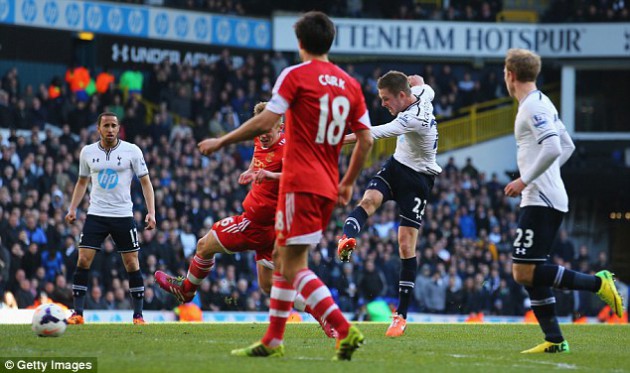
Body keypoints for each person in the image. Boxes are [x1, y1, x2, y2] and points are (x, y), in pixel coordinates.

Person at [197, 11, 373, 361]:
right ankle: (274, 339)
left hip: (300, 184)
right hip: (326, 185)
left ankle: (342, 327)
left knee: (293, 266)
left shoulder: (295, 75)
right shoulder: (350, 84)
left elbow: (266, 119)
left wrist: (223, 141)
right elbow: (366, 140)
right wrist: (349, 182)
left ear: (300, 44)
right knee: (281, 258)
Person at [154, 102, 336, 337]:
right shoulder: (260, 140)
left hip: (255, 224)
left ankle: (186, 290)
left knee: (203, 245)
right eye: (259, 130)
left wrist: (270, 175)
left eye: (268, 130)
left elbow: (302, 176)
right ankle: (322, 314)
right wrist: (251, 170)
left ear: (280, 127)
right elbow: (258, 158)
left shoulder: (288, 147)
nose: (263, 135)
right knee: (268, 286)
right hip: (273, 228)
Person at [503, 48, 623, 353]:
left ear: (510, 75)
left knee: (522, 270)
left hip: (540, 197)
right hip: (546, 194)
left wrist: (526, 179)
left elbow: (555, 147)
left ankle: (599, 283)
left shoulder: (532, 107)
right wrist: (545, 177)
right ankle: (555, 340)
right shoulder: (543, 102)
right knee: (531, 271)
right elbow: (566, 144)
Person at [338, 71, 441, 337]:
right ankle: (346, 239)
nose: (383, 104)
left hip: (419, 180)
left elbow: (369, 134)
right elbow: (422, 84)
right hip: (397, 167)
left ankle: (401, 316)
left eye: (386, 99)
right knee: (369, 200)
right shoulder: (420, 93)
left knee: (406, 244)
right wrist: (414, 79)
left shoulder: (411, 119)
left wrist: (332, 142)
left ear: (402, 96)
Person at [65, 112, 156, 325]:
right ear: (98, 128)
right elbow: (81, 182)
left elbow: (146, 182)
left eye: (114, 125)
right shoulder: (87, 152)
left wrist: (151, 211)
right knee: (83, 259)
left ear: (118, 128)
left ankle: (138, 315)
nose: (110, 129)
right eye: (106, 125)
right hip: (96, 213)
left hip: (123, 214)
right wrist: (72, 208)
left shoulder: (132, 151)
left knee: (131, 263)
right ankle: (78, 313)